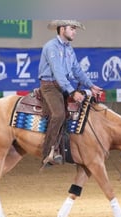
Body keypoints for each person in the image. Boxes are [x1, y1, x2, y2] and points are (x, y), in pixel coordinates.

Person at [38, 20, 102, 167]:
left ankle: (69, 149)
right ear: (62, 29)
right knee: (59, 114)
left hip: (62, 86)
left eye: (75, 29)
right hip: (49, 86)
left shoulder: (69, 49)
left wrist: (91, 86)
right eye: (72, 29)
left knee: (78, 111)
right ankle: (47, 152)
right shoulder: (51, 47)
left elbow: (77, 70)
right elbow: (58, 72)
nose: (75, 32)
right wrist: (72, 92)